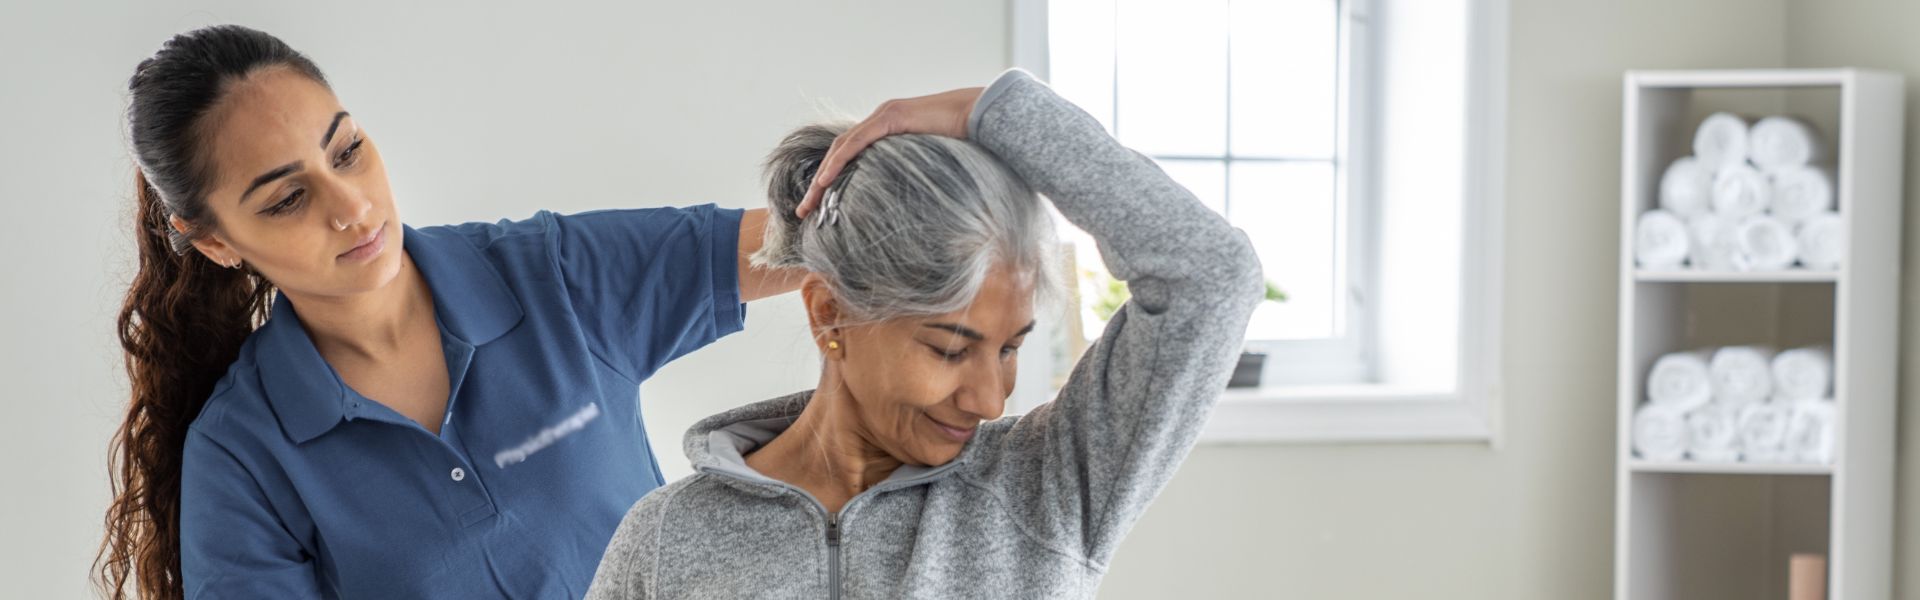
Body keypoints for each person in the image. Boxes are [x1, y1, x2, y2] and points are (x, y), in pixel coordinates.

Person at [95, 25, 804, 598]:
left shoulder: (548, 274)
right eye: (287, 200)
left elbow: (828, 234)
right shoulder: (241, 457)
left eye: (346, 152)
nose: (353, 208)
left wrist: (915, 121)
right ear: (215, 241)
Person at [585, 68, 1264, 599]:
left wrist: (992, 114)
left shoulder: (1050, 482)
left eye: (1009, 347)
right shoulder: (668, 535)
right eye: (951, 348)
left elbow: (1211, 274)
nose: (990, 399)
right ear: (829, 314)